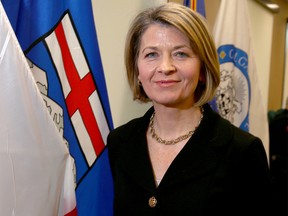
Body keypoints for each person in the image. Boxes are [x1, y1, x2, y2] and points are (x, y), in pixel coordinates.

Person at [107, 2, 272, 216]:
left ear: (203, 69)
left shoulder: (242, 150)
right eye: (151, 55)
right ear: (137, 69)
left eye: (181, 54)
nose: (166, 68)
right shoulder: (120, 141)